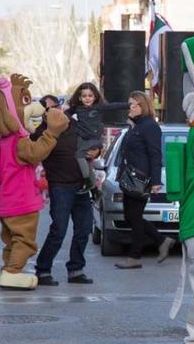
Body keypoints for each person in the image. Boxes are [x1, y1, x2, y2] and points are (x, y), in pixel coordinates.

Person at [31, 94, 98, 285]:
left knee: (84, 229)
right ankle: (43, 270)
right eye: (48, 109)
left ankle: (76, 269)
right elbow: (32, 152)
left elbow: (92, 140)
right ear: (44, 113)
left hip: (82, 184)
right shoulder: (42, 132)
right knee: (59, 229)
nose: (54, 111)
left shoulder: (74, 125)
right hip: (60, 186)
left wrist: (97, 151)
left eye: (56, 107)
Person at [115, 91, 175, 270]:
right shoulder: (136, 125)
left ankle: (135, 256)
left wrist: (156, 181)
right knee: (131, 216)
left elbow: (155, 155)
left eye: (133, 104)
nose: (130, 107)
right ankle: (162, 240)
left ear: (143, 106)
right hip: (130, 178)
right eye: (129, 104)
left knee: (134, 216)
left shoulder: (149, 126)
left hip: (140, 178)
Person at [67, 82, 128, 192]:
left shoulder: (99, 107)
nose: (87, 99)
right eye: (84, 96)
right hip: (82, 138)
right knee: (85, 160)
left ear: (95, 97)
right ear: (79, 98)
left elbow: (114, 106)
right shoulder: (77, 109)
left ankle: (88, 181)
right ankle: (93, 186)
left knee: (79, 156)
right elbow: (64, 115)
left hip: (92, 139)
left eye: (90, 96)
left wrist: (128, 105)